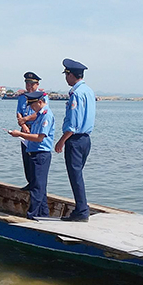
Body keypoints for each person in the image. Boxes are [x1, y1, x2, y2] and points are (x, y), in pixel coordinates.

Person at [54, 58, 95, 222]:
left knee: (75, 175)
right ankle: (82, 207)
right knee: (78, 174)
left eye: (66, 75)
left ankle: (81, 210)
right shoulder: (89, 91)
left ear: (71, 75)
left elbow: (73, 123)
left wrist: (61, 140)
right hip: (86, 139)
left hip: (75, 139)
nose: (65, 78)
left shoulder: (76, 93)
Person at [9, 91, 54, 219]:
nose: (32, 109)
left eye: (33, 106)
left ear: (40, 102)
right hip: (34, 151)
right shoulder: (40, 115)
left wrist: (20, 134)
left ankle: (32, 214)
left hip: (41, 153)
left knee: (37, 188)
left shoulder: (45, 115)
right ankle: (43, 214)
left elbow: (40, 138)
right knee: (39, 185)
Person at [16, 72, 49, 190]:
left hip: (35, 128)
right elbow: (19, 111)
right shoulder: (22, 97)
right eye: (27, 83)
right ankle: (30, 182)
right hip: (24, 129)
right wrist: (23, 124)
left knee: (34, 157)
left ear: (37, 84)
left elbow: (40, 113)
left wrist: (26, 119)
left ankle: (36, 184)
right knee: (26, 157)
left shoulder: (43, 97)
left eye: (31, 84)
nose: (29, 86)